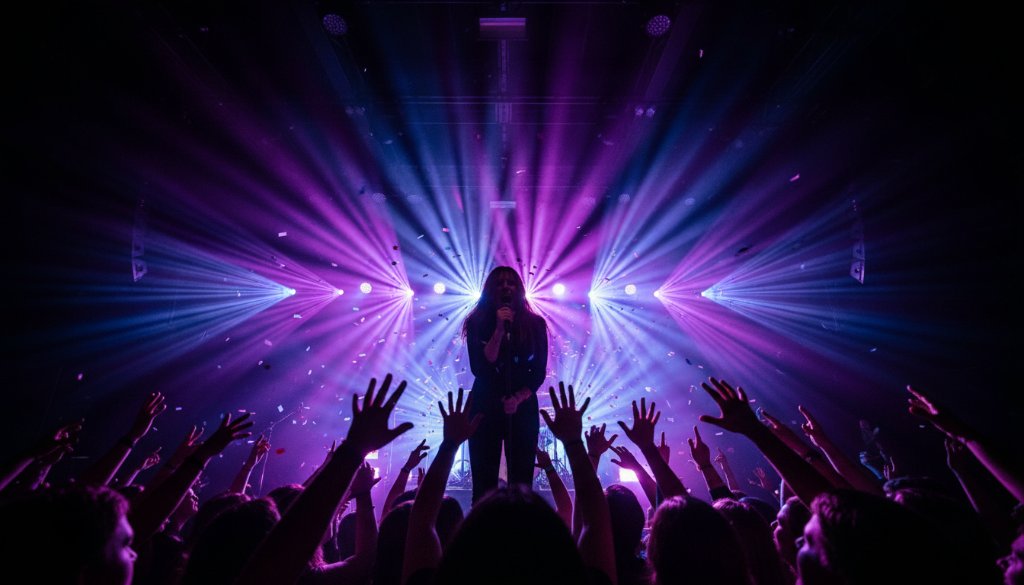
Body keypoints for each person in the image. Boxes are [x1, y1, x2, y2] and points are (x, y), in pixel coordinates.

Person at [462, 266, 548, 503]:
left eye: (511, 283)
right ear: (490, 290)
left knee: (521, 480)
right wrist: (499, 330)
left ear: (519, 289)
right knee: (483, 481)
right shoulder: (477, 323)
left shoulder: (536, 324)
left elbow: (538, 371)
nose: (506, 287)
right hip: (485, 406)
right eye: (499, 283)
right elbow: (480, 367)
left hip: (522, 407)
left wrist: (518, 398)